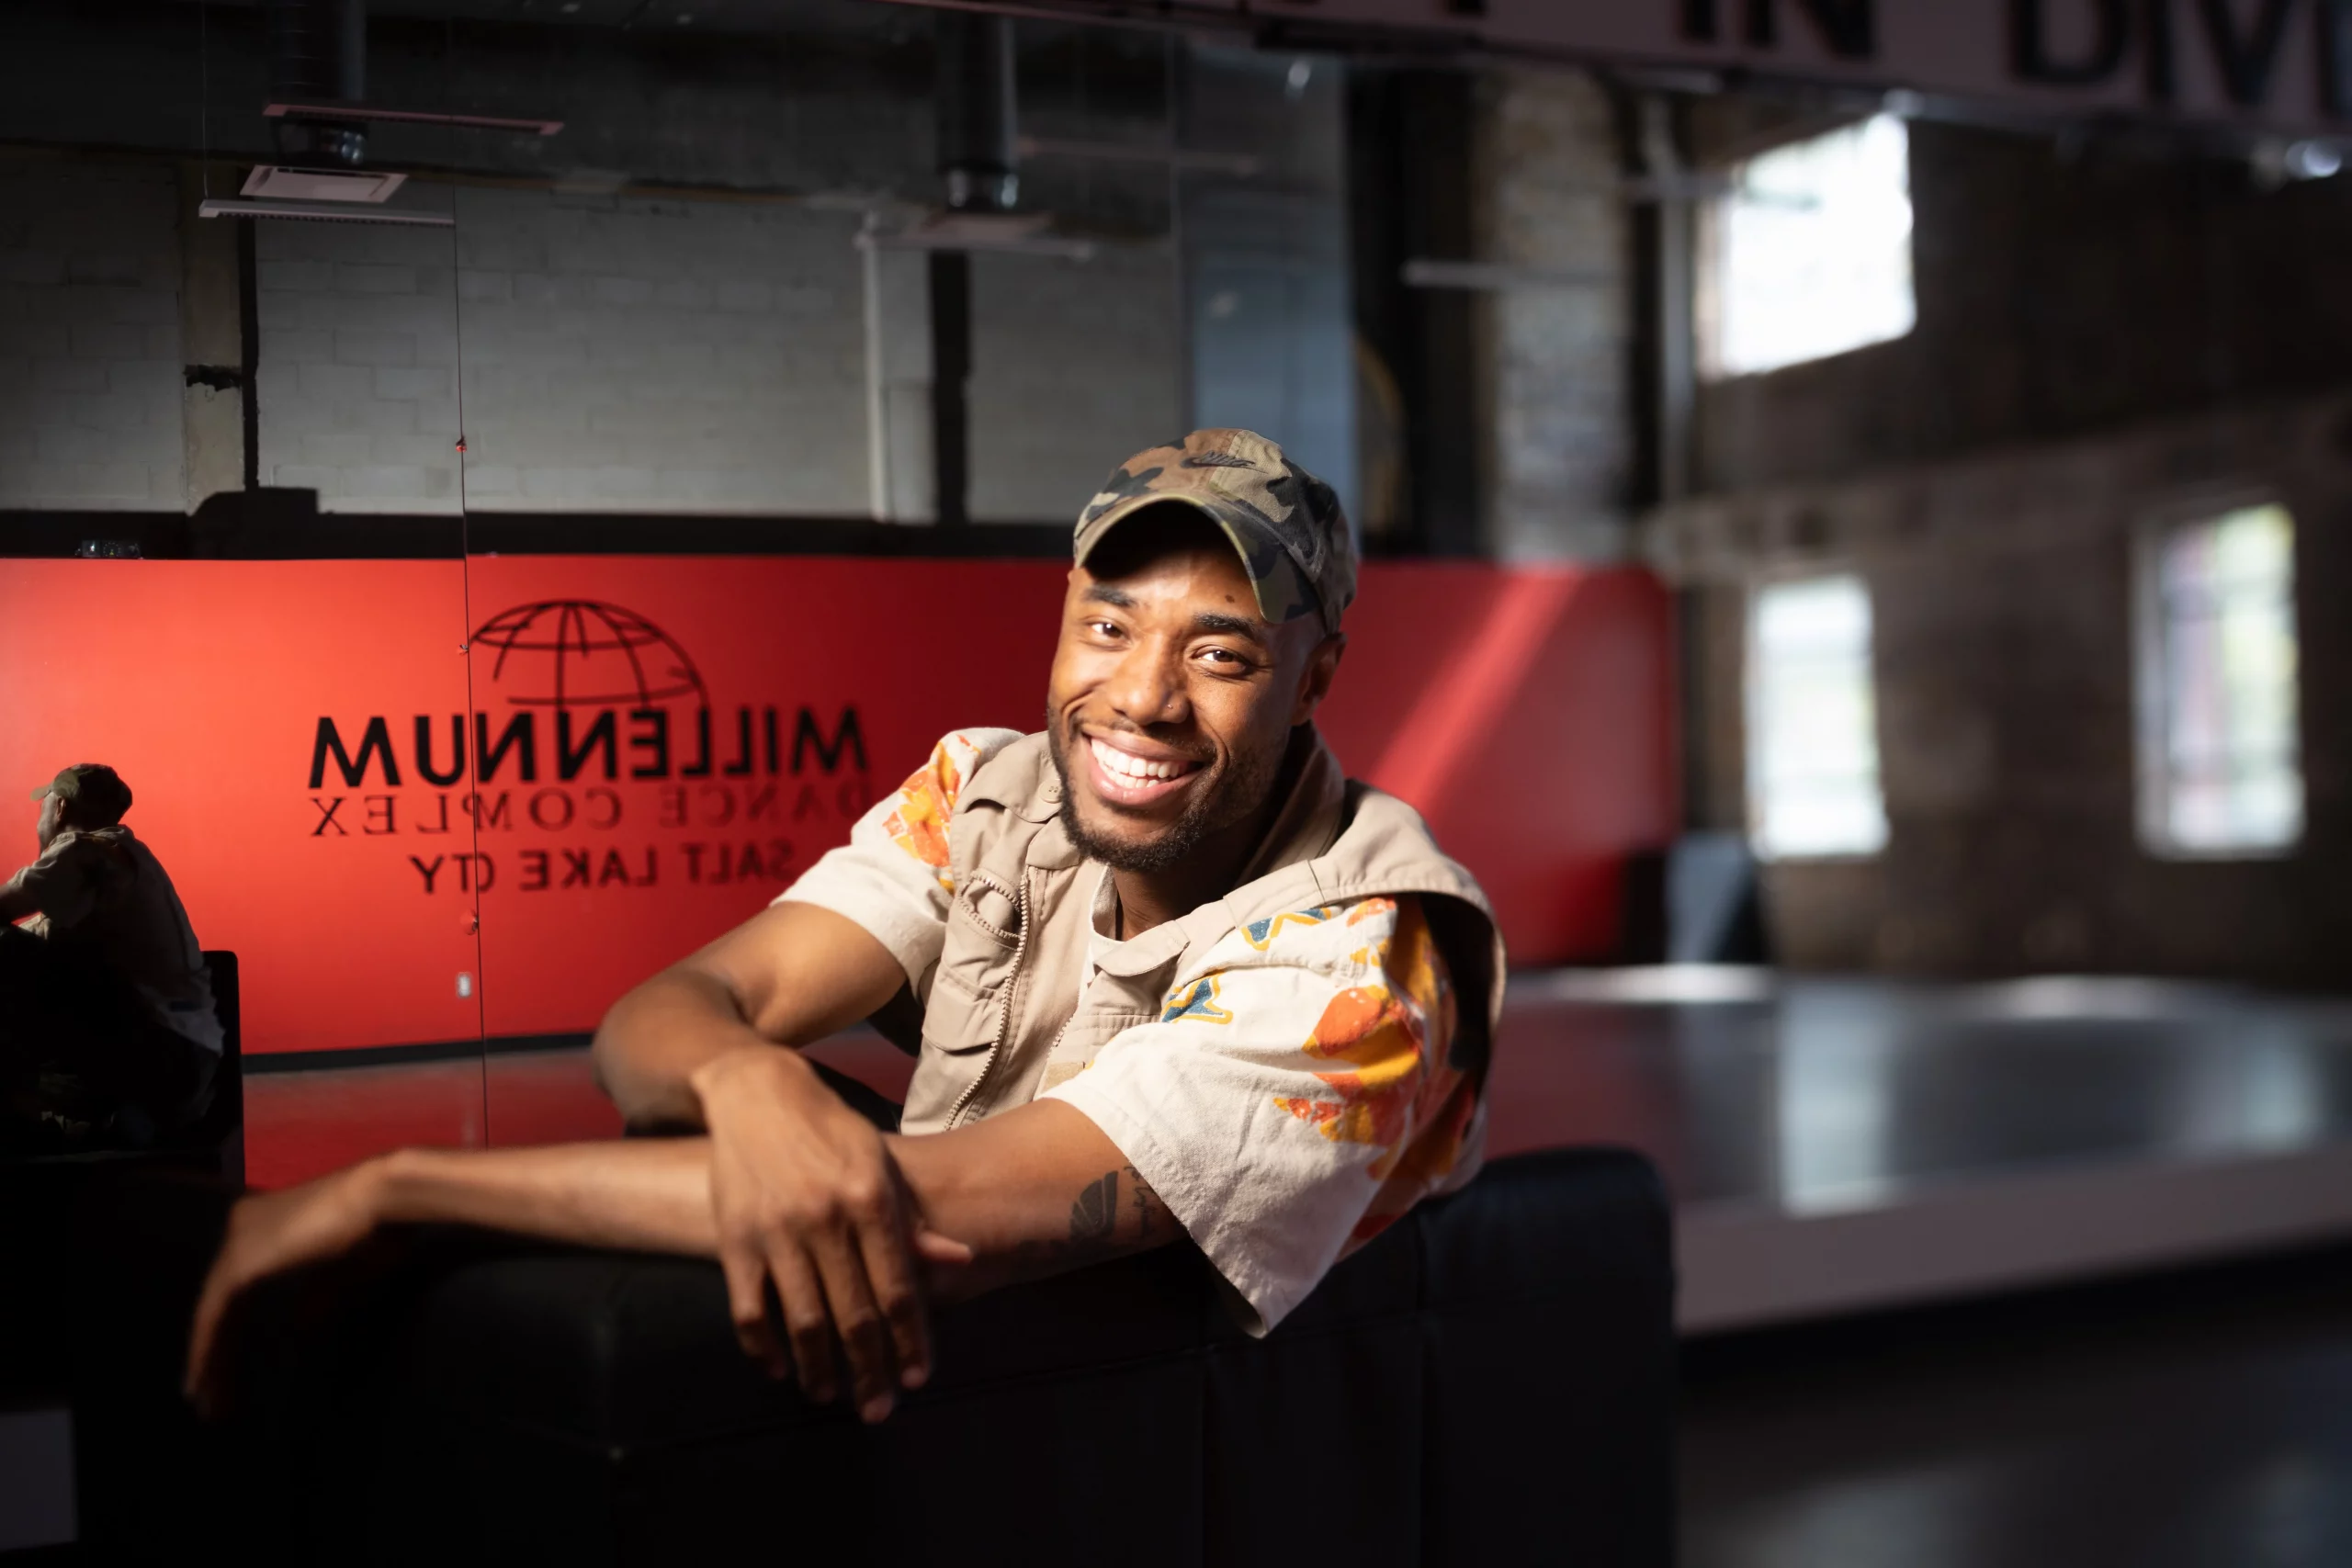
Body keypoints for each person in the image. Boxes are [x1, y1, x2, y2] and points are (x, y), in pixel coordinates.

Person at [188, 429, 1504, 1427]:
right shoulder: (985, 792)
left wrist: (398, 1188)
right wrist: (743, 1074)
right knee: (713, 1131)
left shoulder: (1367, 963)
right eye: (1107, 628)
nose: (1142, 696)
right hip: (979, 1403)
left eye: (1220, 654)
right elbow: (659, 1021)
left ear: (1314, 676)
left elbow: (941, 1218)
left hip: (1201, 1443)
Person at [1, 763, 221, 1146]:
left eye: (44, 806)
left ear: (60, 808)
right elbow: (42, 931)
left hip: (160, 1060)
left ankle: (26, 1121)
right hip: (182, 1060)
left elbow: (6, 911)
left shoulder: (84, 851)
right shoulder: (120, 859)